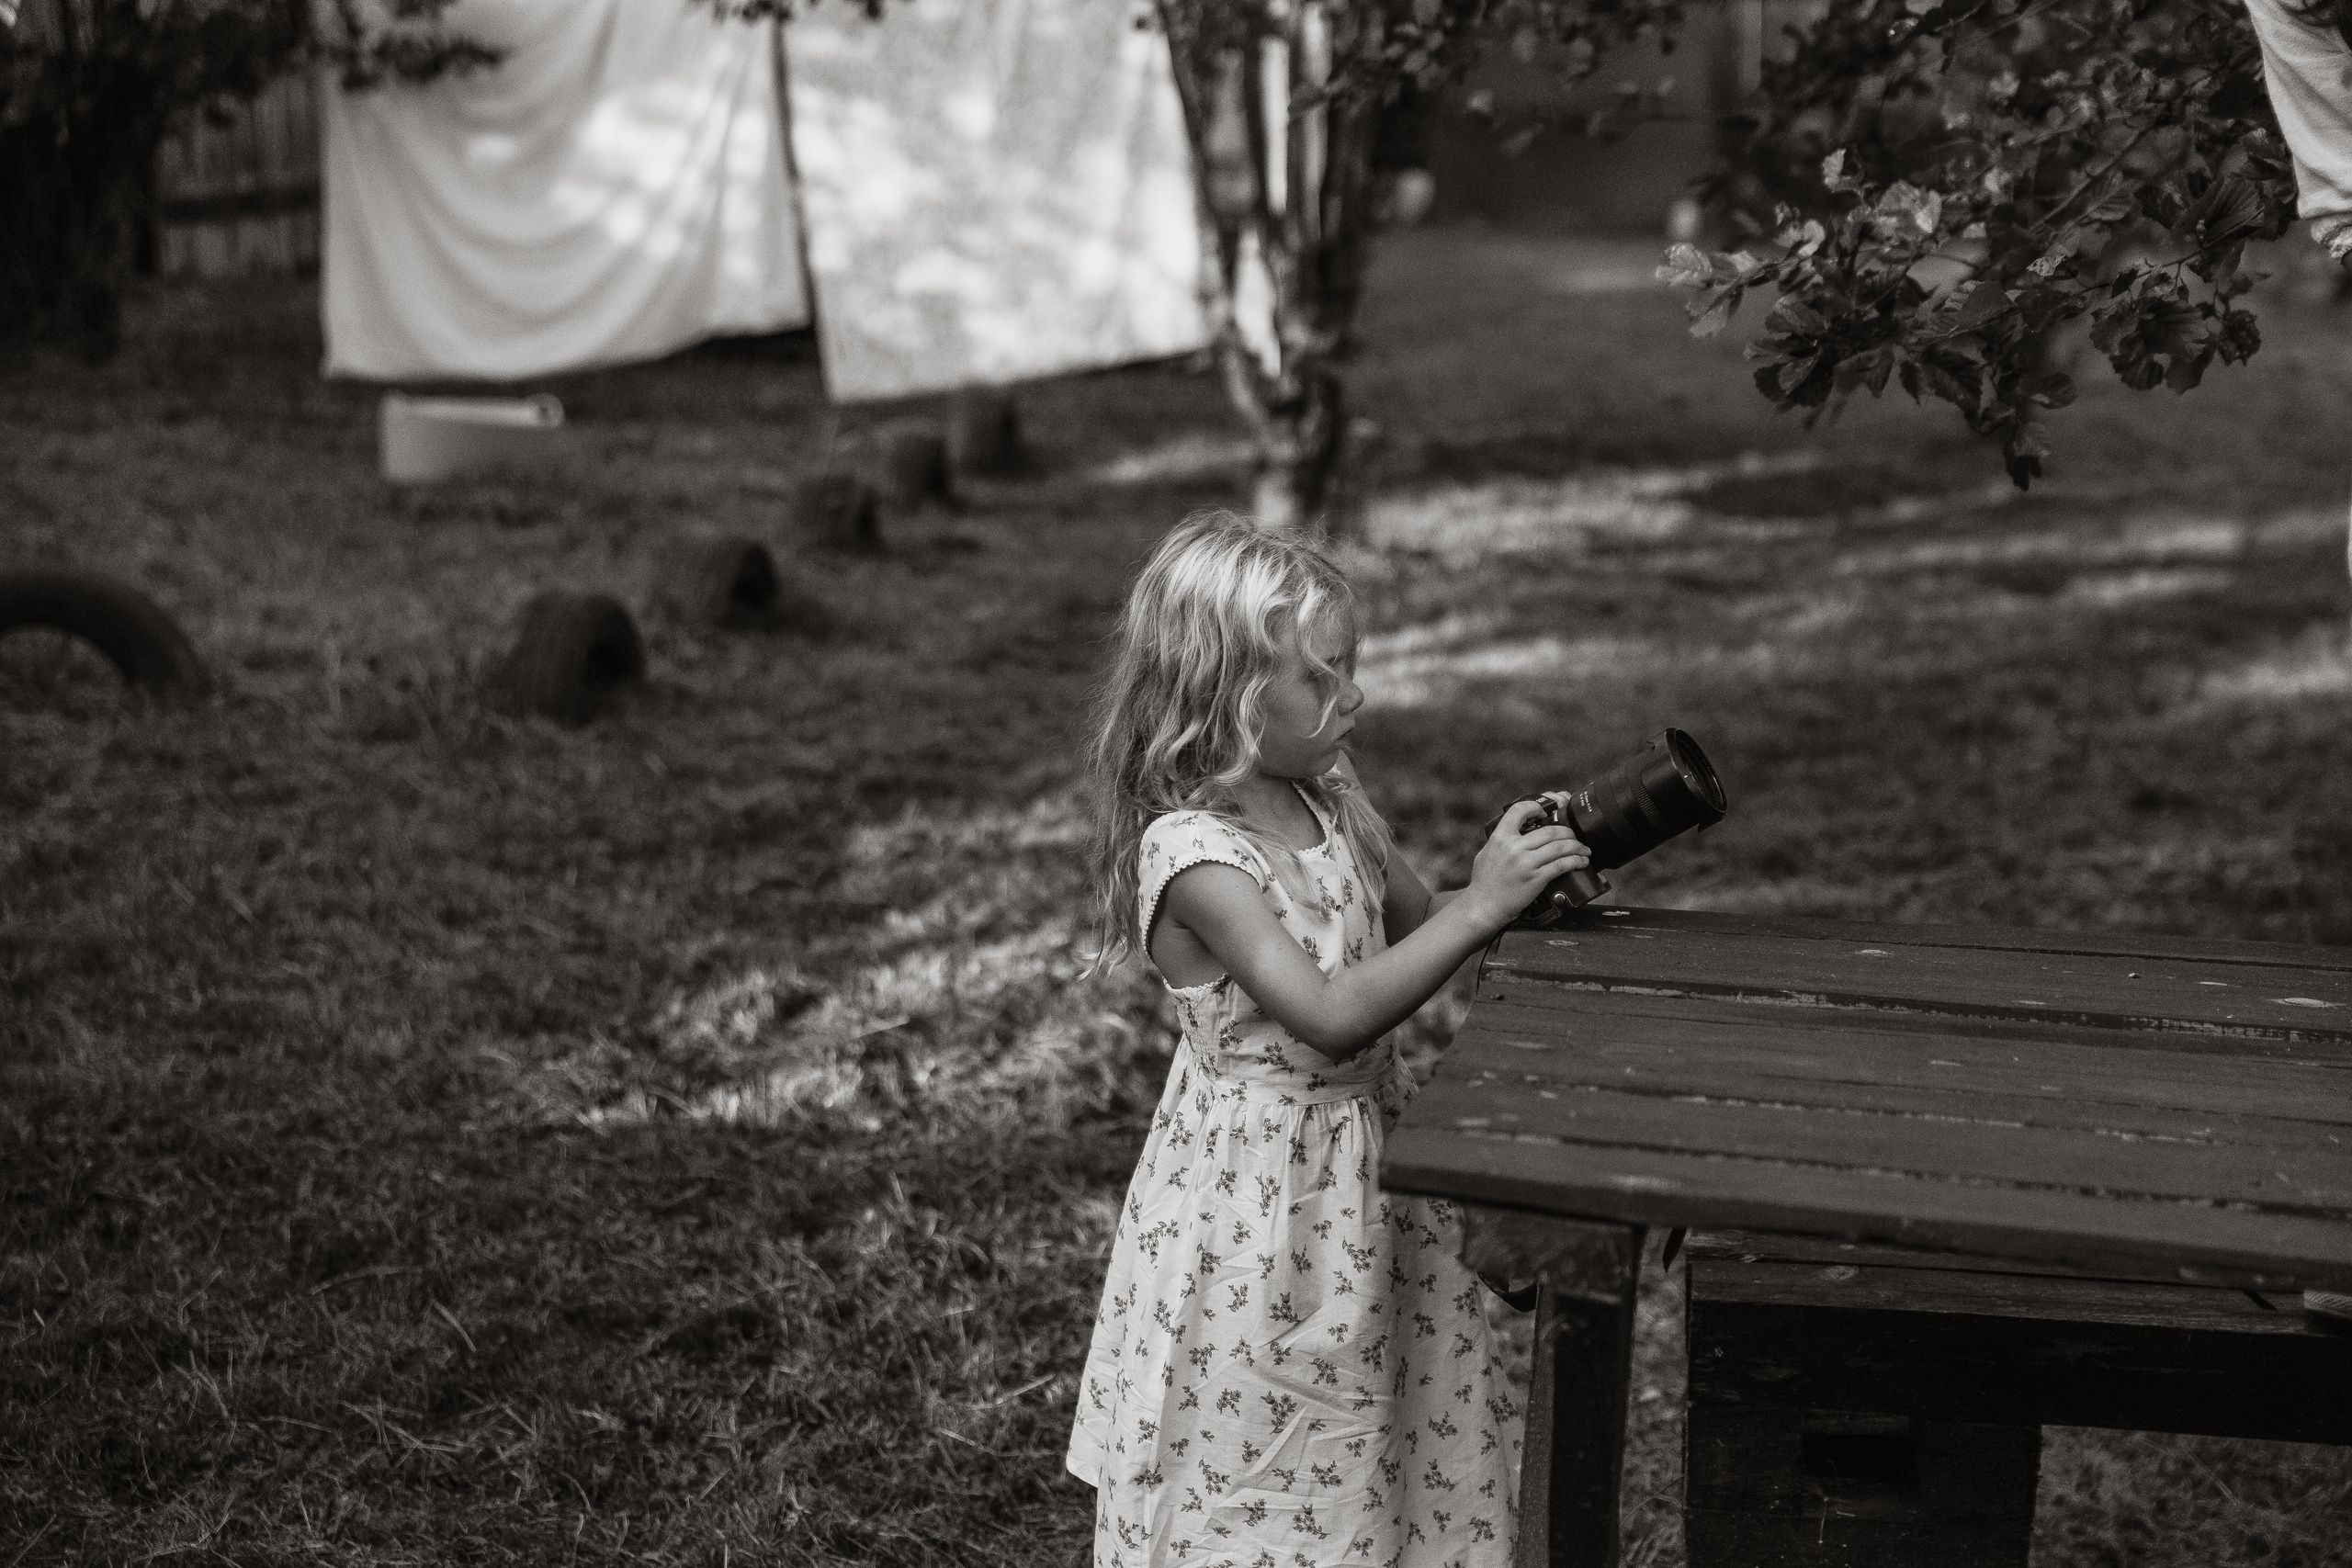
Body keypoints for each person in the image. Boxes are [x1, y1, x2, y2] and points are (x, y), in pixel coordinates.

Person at [1066, 511, 1593, 1566]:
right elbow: (1326, 1013)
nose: (1354, 695)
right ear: (1230, 693)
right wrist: (1479, 911)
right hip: (1263, 1206)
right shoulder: (1197, 855)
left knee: (1386, 1417)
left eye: (1350, 666)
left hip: (1366, 1166)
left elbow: (1414, 923)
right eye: (1325, 674)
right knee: (1274, 1429)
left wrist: (1508, 880)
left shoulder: (1328, 792)